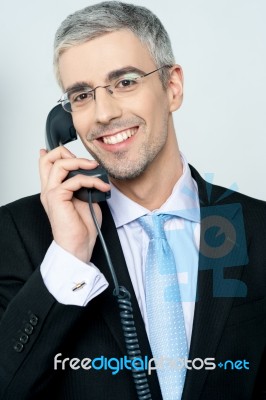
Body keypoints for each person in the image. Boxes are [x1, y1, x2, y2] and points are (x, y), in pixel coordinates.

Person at [0, 2, 265, 399]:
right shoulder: (18, 233)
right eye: (82, 94)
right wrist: (69, 256)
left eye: (125, 82)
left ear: (172, 87)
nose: (104, 113)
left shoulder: (258, 227)